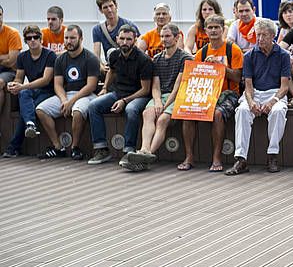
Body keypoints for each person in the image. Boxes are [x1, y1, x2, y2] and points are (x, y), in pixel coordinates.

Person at [121, 24, 193, 171]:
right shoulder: (157, 58)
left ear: (176, 37)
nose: (164, 39)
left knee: (162, 119)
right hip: (161, 95)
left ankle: (147, 156)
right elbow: (155, 86)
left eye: (167, 36)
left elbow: (177, 87)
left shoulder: (185, 58)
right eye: (162, 36)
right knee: (147, 113)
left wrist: (165, 107)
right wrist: (158, 101)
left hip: (178, 96)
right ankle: (144, 150)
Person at [227, 18, 290, 175]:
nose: (260, 38)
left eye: (264, 35)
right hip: (254, 93)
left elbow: (284, 87)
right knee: (241, 111)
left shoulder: (283, 55)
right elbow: (248, 86)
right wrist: (251, 102)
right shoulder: (249, 56)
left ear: (273, 36)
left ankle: (272, 155)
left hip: (275, 93)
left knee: (277, 112)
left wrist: (272, 101)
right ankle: (241, 159)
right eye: (258, 35)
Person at [181, 14, 243, 172]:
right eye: (210, 28)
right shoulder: (201, 53)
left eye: (217, 27)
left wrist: (220, 66)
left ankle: (217, 157)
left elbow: (238, 77)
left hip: (229, 94)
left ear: (223, 29)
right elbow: (194, 77)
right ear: (205, 31)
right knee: (187, 112)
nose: (214, 30)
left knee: (217, 114)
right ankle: (189, 157)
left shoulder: (233, 49)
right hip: (206, 94)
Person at [87, 25, 153, 165]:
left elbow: (145, 90)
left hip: (139, 96)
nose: (125, 42)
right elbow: (111, 71)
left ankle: (128, 151)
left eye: (129, 39)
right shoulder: (114, 55)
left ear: (135, 40)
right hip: (118, 93)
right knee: (93, 106)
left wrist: (124, 100)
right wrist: (105, 88)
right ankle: (101, 149)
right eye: (122, 38)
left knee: (131, 109)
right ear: (117, 39)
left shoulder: (144, 60)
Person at [35, 25, 100, 160]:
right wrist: (64, 100)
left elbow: (91, 86)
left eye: (72, 38)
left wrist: (71, 101)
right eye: (66, 38)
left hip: (86, 95)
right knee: (41, 109)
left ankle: (75, 147)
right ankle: (58, 147)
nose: (69, 41)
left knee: (77, 111)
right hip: (67, 95)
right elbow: (57, 85)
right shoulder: (60, 59)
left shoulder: (90, 58)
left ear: (81, 39)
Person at [2, 26, 56, 157]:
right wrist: (14, 84)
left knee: (26, 110)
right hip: (31, 91)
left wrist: (23, 87)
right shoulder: (22, 57)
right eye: (29, 38)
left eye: (35, 37)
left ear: (41, 39)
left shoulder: (50, 55)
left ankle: (14, 146)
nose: (32, 40)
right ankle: (30, 124)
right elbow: (19, 77)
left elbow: (45, 80)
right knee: (24, 94)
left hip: (48, 91)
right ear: (25, 41)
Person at [92, 0, 140, 75]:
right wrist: (101, 66)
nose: (109, 10)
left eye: (111, 6)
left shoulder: (129, 25)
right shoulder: (97, 29)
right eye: (105, 7)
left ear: (116, 6)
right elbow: (96, 54)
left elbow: (137, 49)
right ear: (101, 10)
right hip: (111, 66)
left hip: (128, 65)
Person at [0, 5, 22, 117]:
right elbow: (7, 58)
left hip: (9, 70)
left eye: (0, 15)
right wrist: (5, 56)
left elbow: (11, 61)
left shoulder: (12, 33)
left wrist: (7, 58)